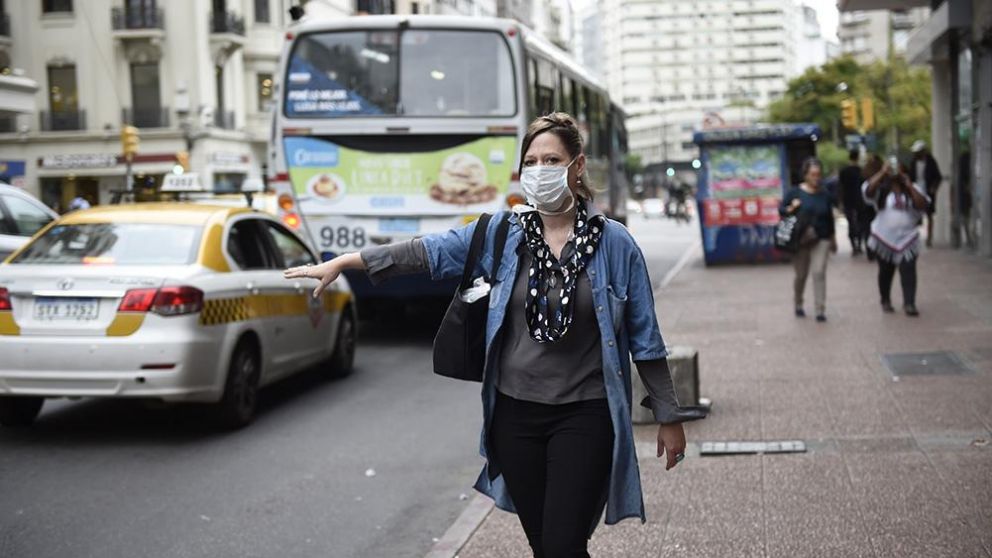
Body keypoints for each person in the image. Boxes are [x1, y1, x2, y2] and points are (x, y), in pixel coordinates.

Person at [285, 112, 704, 558]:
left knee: (562, 544)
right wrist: (348, 261)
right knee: (546, 544)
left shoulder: (615, 244)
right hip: (513, 416)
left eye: (551, 159)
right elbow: (428, 252)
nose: (540, 171)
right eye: (532, 161)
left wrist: (668, 414)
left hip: (585, 414)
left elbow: (645, 335)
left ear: (577, 166)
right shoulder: (502, 234)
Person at [863, 158, 930, 316]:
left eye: (899, 170)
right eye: (893, 170)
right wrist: (882, 173)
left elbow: (923, 205)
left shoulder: (912, 188)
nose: (895, 173)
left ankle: (909, 303)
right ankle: (885, 299)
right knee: (886, 272)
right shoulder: (881, 190)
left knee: (909, 270)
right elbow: (868, 191)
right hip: (884, 239)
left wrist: (909, 185)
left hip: (908, 239)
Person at [779, 158, 837, 322]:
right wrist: (791, 208)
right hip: (801, 240)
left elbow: (829, 217)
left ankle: (820, 309)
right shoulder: (795, 193)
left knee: (819, 272)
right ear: (805, 175)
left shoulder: (825, 194)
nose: (816, 178)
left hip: (821, 237)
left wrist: (833, 239)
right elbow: (781, 210)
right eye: (812, 175)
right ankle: (798, 303)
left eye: (818, 175)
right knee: (801, 275)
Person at [908, 140, 942, 248]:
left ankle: (929, 238)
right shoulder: (913, 162)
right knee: (914, 213)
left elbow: (938, 177)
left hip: (927, 190)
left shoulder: (931, 162)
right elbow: (910, 177)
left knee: (929, 214)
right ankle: (913, 236)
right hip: (916, 190)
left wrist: (933, 188)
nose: (917, 154)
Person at [838, 149, 866, 255]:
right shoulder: (860, 171)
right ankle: (859, 244)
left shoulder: (844, 171)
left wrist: (840, 201)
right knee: (860, 222)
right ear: (857, 157)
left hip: (847, 200)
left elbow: (840, 187)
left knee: (851, 223)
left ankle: (854, 246)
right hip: (860, 200)